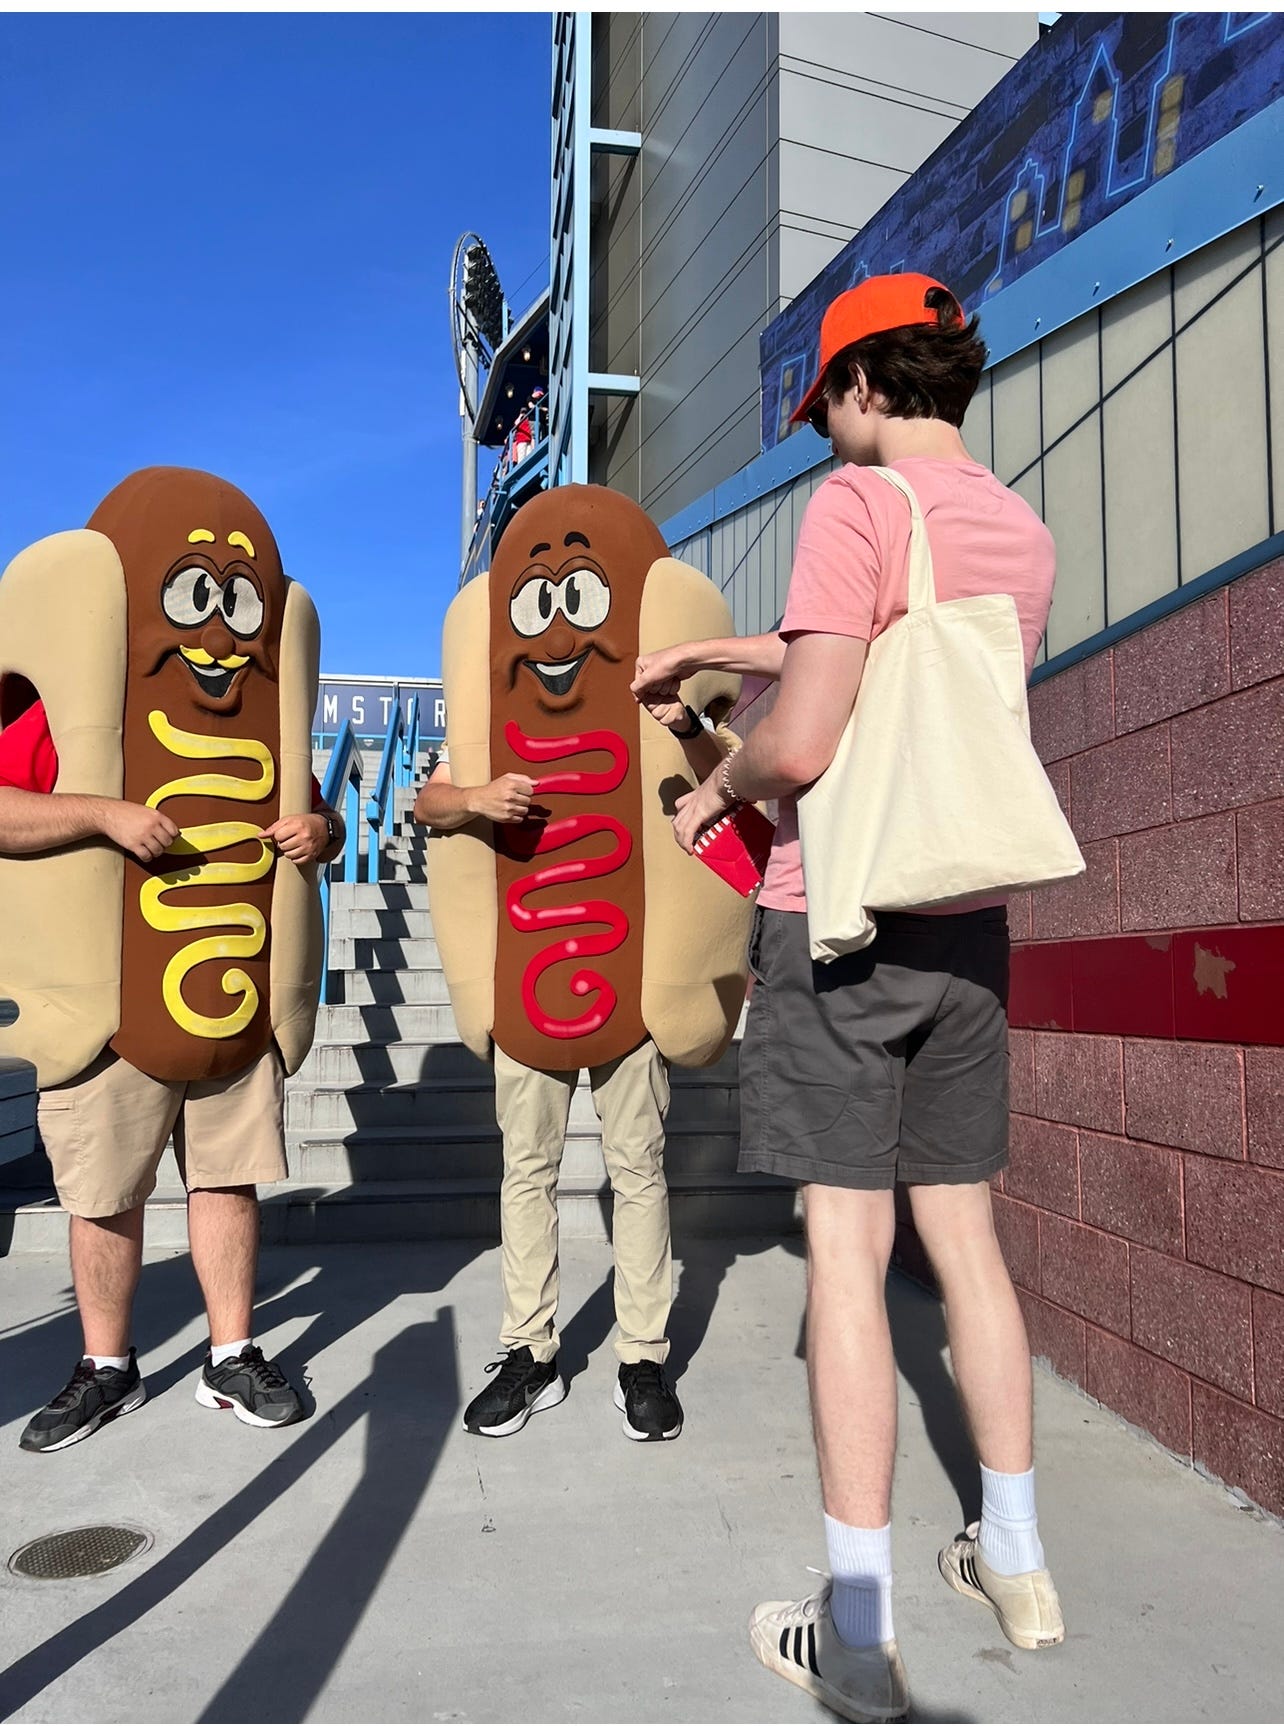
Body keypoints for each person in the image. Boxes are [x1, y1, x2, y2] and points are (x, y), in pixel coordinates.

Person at [633, 274, 1063, 1721]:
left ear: (867, 385)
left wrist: (719, 782)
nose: (826, 436)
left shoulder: (858, 506)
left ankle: (860, 1627)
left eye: (827, 409)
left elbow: (809, 737)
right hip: (967, 928)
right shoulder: (1015, 524)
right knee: (969, 1243)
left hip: (841, 928)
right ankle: (1016, 1559)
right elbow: (900, 652)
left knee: (846, 1257)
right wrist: (723, 653)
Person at [1, 467, 344, 1453]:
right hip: (110, 993)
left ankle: (232, 1354)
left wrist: (318, 829)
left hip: (229, 989)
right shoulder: (69, 703)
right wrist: (101, 812)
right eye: (196, 595)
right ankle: (106, 1365)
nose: (218, 631)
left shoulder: (260, 715)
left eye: (238, 605)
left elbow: (310, 808)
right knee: (105, 1189)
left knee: (227, 1177)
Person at [418, 484, 752, 1444]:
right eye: (539, 602)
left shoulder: (661, 709)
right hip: (527, 973)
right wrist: (477, 798)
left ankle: (641, 1358)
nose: (560, 629)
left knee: (636, 1169)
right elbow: (425, 808)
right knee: (524, 1172)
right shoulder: (481, 720)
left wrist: (683, 716)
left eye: (583, 599)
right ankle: (531, 1352)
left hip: (633, 975)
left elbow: (725, 775)